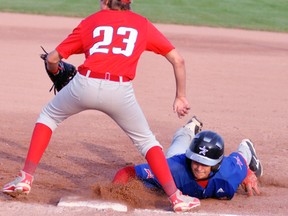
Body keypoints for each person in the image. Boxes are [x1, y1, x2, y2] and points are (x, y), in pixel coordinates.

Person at [2, 0, 200, 212]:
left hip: (84, 83)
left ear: (105, 2)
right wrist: (180, 96)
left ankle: (25, 179)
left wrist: (55, 71)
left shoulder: (92, 21)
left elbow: (52, 58)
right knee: (146, 141)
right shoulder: (141, 24)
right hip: (120, 91)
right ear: (129, 4)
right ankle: (176, 197)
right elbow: (178, 60)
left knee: (48, 118)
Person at [112, 116, 263, 199]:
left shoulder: (229, 171)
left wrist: (246, 173)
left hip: (233, 164)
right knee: (178, 146)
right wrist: (114, 192)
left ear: (216, 165)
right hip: (178, 161)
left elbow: (241, 162)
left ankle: (247, 145)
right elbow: (128, 172)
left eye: (204, 163)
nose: (198, 167)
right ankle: (189, 129)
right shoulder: (173, 168)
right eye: (196, 161)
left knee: (244, 154)